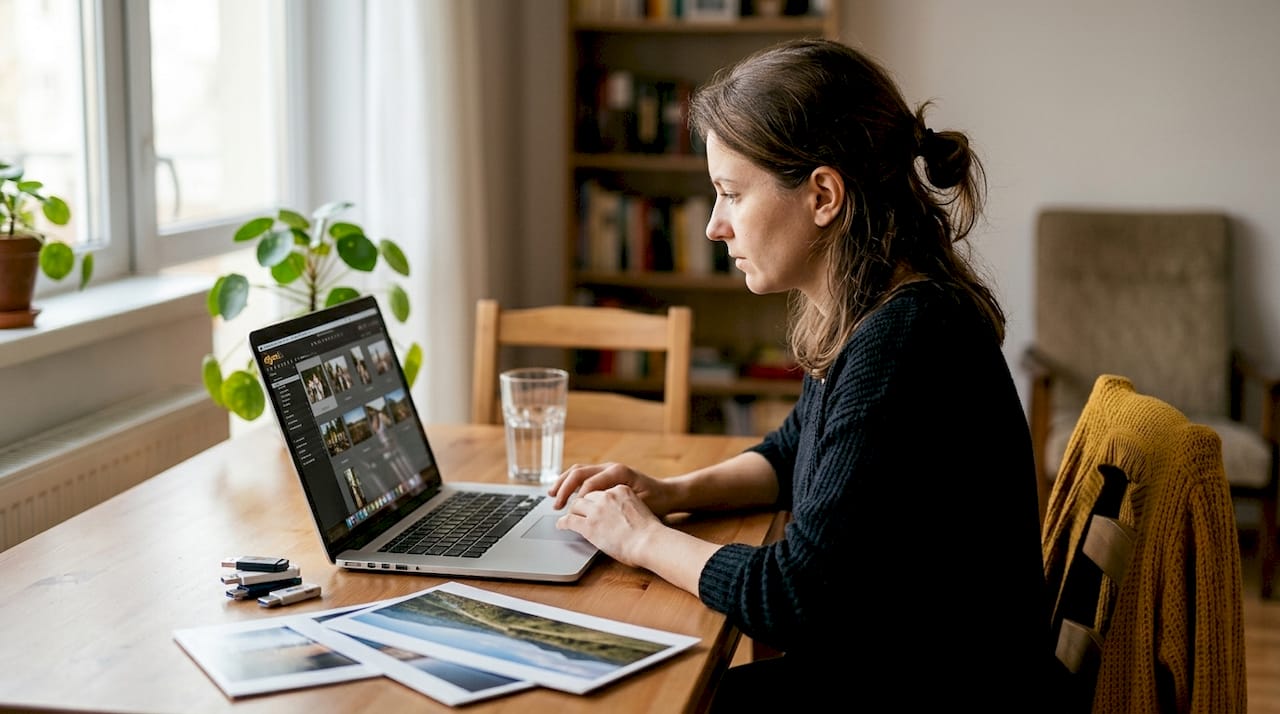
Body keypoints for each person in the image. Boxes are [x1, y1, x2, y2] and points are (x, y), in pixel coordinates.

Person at [550, 37, 1049, 709]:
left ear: (822, 195)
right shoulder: (876, 306)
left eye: (731, 194)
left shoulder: (906, 339)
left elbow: (794, 596)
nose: (715, 227)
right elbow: (793, 454)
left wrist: (641, 537)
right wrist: (668, 492)